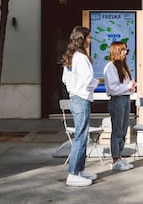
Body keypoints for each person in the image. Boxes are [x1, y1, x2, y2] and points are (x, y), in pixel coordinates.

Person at [61, 26, 99, 187]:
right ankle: (73, 174)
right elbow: (88, 80)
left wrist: (75, 87)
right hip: (81, 99)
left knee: (81, 136)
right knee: (81, 137)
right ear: (82, 39)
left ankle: (80, 170)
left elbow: (65, 79)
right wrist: (96, 83)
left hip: (75, 98)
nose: (91, 40)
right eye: (89, 37)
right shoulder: (81, 58)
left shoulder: (71, 57)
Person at [103, 41, 136, 171]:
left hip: (125, 99)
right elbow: (112, 88)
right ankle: (115, 158)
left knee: (123, 129)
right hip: (117, 100)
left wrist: (131, 87)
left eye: (126, 50)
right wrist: (127, 87)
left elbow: (126, 86)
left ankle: (120, 156)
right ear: (117, 51)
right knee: (117, 130)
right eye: (123, 50)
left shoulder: (123, 66)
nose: (126, 53)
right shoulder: (110, 67)